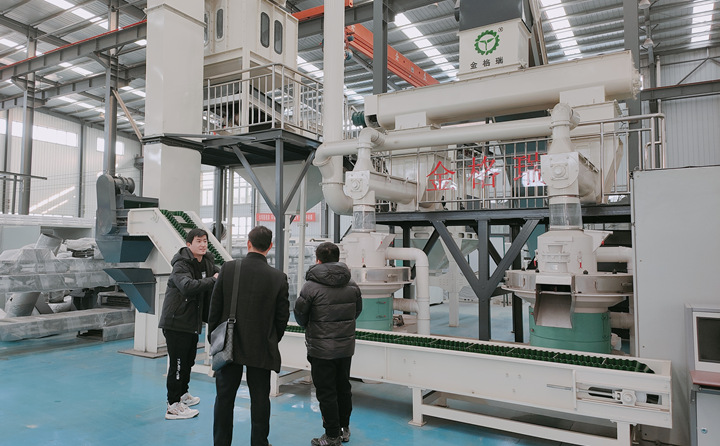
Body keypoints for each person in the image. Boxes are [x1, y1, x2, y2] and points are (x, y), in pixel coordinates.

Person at [208, 225, 290, 446]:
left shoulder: (229, 269)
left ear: (248, 244)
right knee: (260, 398)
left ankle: (221, 443)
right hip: (261, 345)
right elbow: (282, 317)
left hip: (229, 343)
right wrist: (271, 338)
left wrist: (215, 338)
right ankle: (259, 442)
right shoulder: (278, 277)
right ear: (270, 246)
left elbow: (215, 307)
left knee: (224, 398)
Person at [294, 242, 363, 446]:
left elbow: (300, 316)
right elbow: (357, 311)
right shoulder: (352, 285)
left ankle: (332, 436)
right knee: (343, 387)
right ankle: (343, 429)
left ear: (318, 260)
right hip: (345, 347)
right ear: (337, 258)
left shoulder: (310, 287)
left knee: (326, 392)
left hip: (321, 349)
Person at [158, 227, 219, 420]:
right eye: (198, 241)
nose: (203, 245)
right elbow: (187, 286)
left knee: (188, 361)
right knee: (177, 365)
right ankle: (172, 405)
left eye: (205, 241)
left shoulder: (207, 262)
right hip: (176, 322)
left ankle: (183, 394)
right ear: (189, 244)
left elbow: (220, 274)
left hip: (191, 322)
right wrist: (213, 280)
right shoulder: (181, 264)